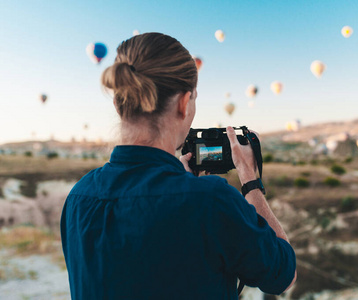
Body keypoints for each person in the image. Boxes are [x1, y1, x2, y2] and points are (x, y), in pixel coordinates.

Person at [60, 32, 297, 300]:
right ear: (184, 103)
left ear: (117, 105)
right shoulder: (211, 201)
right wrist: (250, 181)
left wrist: (177, 184)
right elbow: (283, 275)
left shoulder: (79, 197)